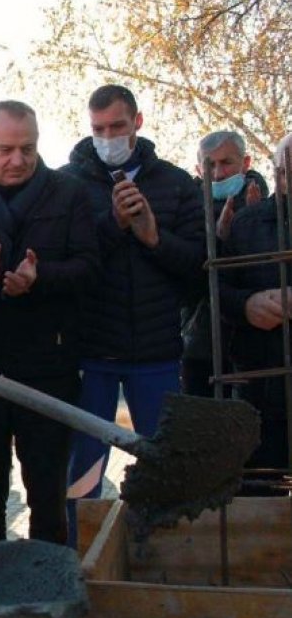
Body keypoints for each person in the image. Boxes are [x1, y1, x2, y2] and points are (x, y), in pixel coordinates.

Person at [0, 100, 99, 545]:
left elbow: (89, 266)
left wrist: (39, 278)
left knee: (47, 493)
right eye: (6, 149)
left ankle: (48, 591)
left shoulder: (70, 194)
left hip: (49, 365)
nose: (18, 160)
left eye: (27, 148)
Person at [63, 85, 204, 545]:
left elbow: (201, 269)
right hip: (91, 355)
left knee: (164, 467)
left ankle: (166, 553)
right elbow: (67, 265)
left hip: (157, 353)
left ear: (137, 123)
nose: (108, 137)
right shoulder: (68, 185)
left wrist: (153, 237)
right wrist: (112, 226)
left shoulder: (177, 183)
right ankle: (78, 557)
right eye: (98, 129)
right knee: (81, 474)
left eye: (117, 127)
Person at [219, 132, 292, 495]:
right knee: (262, 501)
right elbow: (218, 294)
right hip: (264, 392)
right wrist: (247, 304)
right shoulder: (248, 225)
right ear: (277, 172)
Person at [181, 131, 268, 397]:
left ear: (246, 162)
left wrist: (250, 229)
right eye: (210, 165)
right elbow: (186, 275)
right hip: (201, 343)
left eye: (226, 162)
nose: (218, 174)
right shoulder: (186, 211)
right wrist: (218, 241)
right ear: (198, 169)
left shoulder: (268, 210)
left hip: (257, 341)